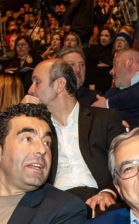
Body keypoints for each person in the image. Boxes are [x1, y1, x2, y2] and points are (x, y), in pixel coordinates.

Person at [24, 59, 124, 210]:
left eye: (37, 82)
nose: (31, 90)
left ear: (59, 85)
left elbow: (125, 163)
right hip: (54, 205)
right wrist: (21, 117)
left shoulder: (105, 119)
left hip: (99, 200)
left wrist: (108, 192)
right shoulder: (36, 129)